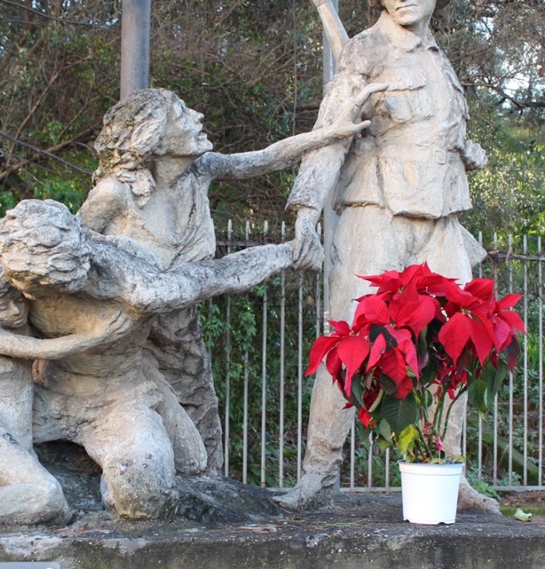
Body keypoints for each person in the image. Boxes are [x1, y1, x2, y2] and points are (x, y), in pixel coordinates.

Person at [0, 199, 310, 523]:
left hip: (117, 400)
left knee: (142, 496)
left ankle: (97, 482)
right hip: (41, 396)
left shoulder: (137, 284)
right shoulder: (16, 237)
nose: (36, 301)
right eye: (29, 290)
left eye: (53, 290)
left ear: (80, 264)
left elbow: (220, 274)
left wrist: (291, 251)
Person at [277, 0, 497, 513]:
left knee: (452, 349)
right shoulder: (366, 51)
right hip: (374, 209)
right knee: (350, 341)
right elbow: (330, 131)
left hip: (442, 216)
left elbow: (437, 130)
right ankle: (317, 477)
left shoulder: (440, 62)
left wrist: (466, 149)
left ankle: (448, 474)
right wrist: (305, 212)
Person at [78, 87, 380, 470]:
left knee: (200, 410)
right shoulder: (115, 194)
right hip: (120, 335)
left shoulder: (201, 170)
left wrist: (332, 133)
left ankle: (204, 486)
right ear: (152, 137)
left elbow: (267, 158)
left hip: (180, 329)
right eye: (183, 115)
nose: (198, 117)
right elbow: (73, 253)